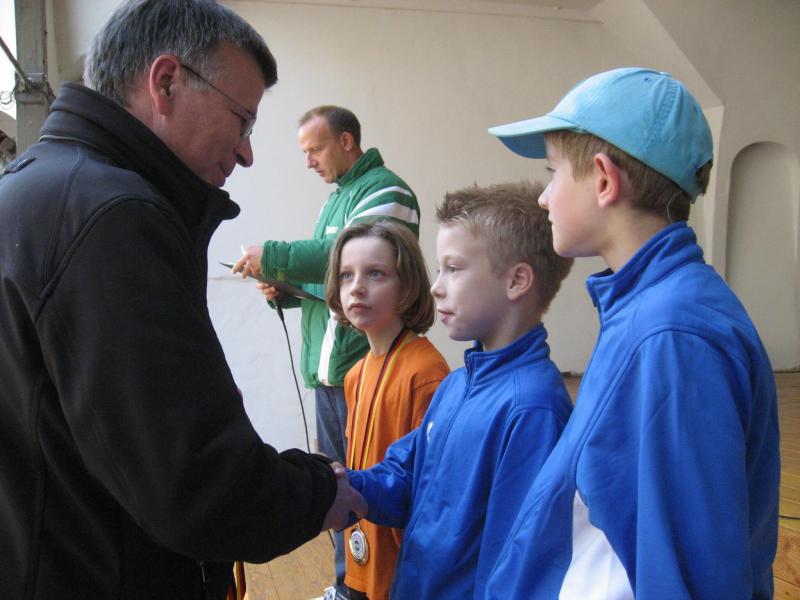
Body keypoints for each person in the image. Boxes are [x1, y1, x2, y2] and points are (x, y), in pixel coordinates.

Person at [0, 1, 365, 598]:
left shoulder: (32, 188)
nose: (246, 152)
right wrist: (319, 488)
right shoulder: (113, 218)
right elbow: (196, 486)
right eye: (242, 121)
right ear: (167, 82)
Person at [484, 67, 780, 599]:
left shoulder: (672, 333)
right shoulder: (646, 310)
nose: (545, 197)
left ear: (603, 179)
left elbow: (690, 572)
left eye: (553, 173)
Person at [346, 181, 575, 598]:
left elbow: (514, 565)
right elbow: (407, 477)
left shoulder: (532, 409)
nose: (436, 286)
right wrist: (345, 489)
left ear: (516, 281)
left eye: (453, 268)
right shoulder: (457, 385)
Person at [233, 105, 419, 600]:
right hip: (333, 370)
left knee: (373, 486)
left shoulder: (388, 191)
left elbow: (344, 261)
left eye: (315, 149)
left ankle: (379, 587)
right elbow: (335, 282)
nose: (309, 161)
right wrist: (288, 290)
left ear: (346, 141)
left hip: (362, 363)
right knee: (341, 485)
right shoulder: (336, 201)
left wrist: (273, 257)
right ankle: (348, 585)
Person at [324, 221, 450, 600]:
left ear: (406, 285)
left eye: (375, 273)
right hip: (364, 558)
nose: (357, 287)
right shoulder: (355, 374)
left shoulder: (426, 372)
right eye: (346, 275)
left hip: (405, 573)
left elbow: (433, 491)